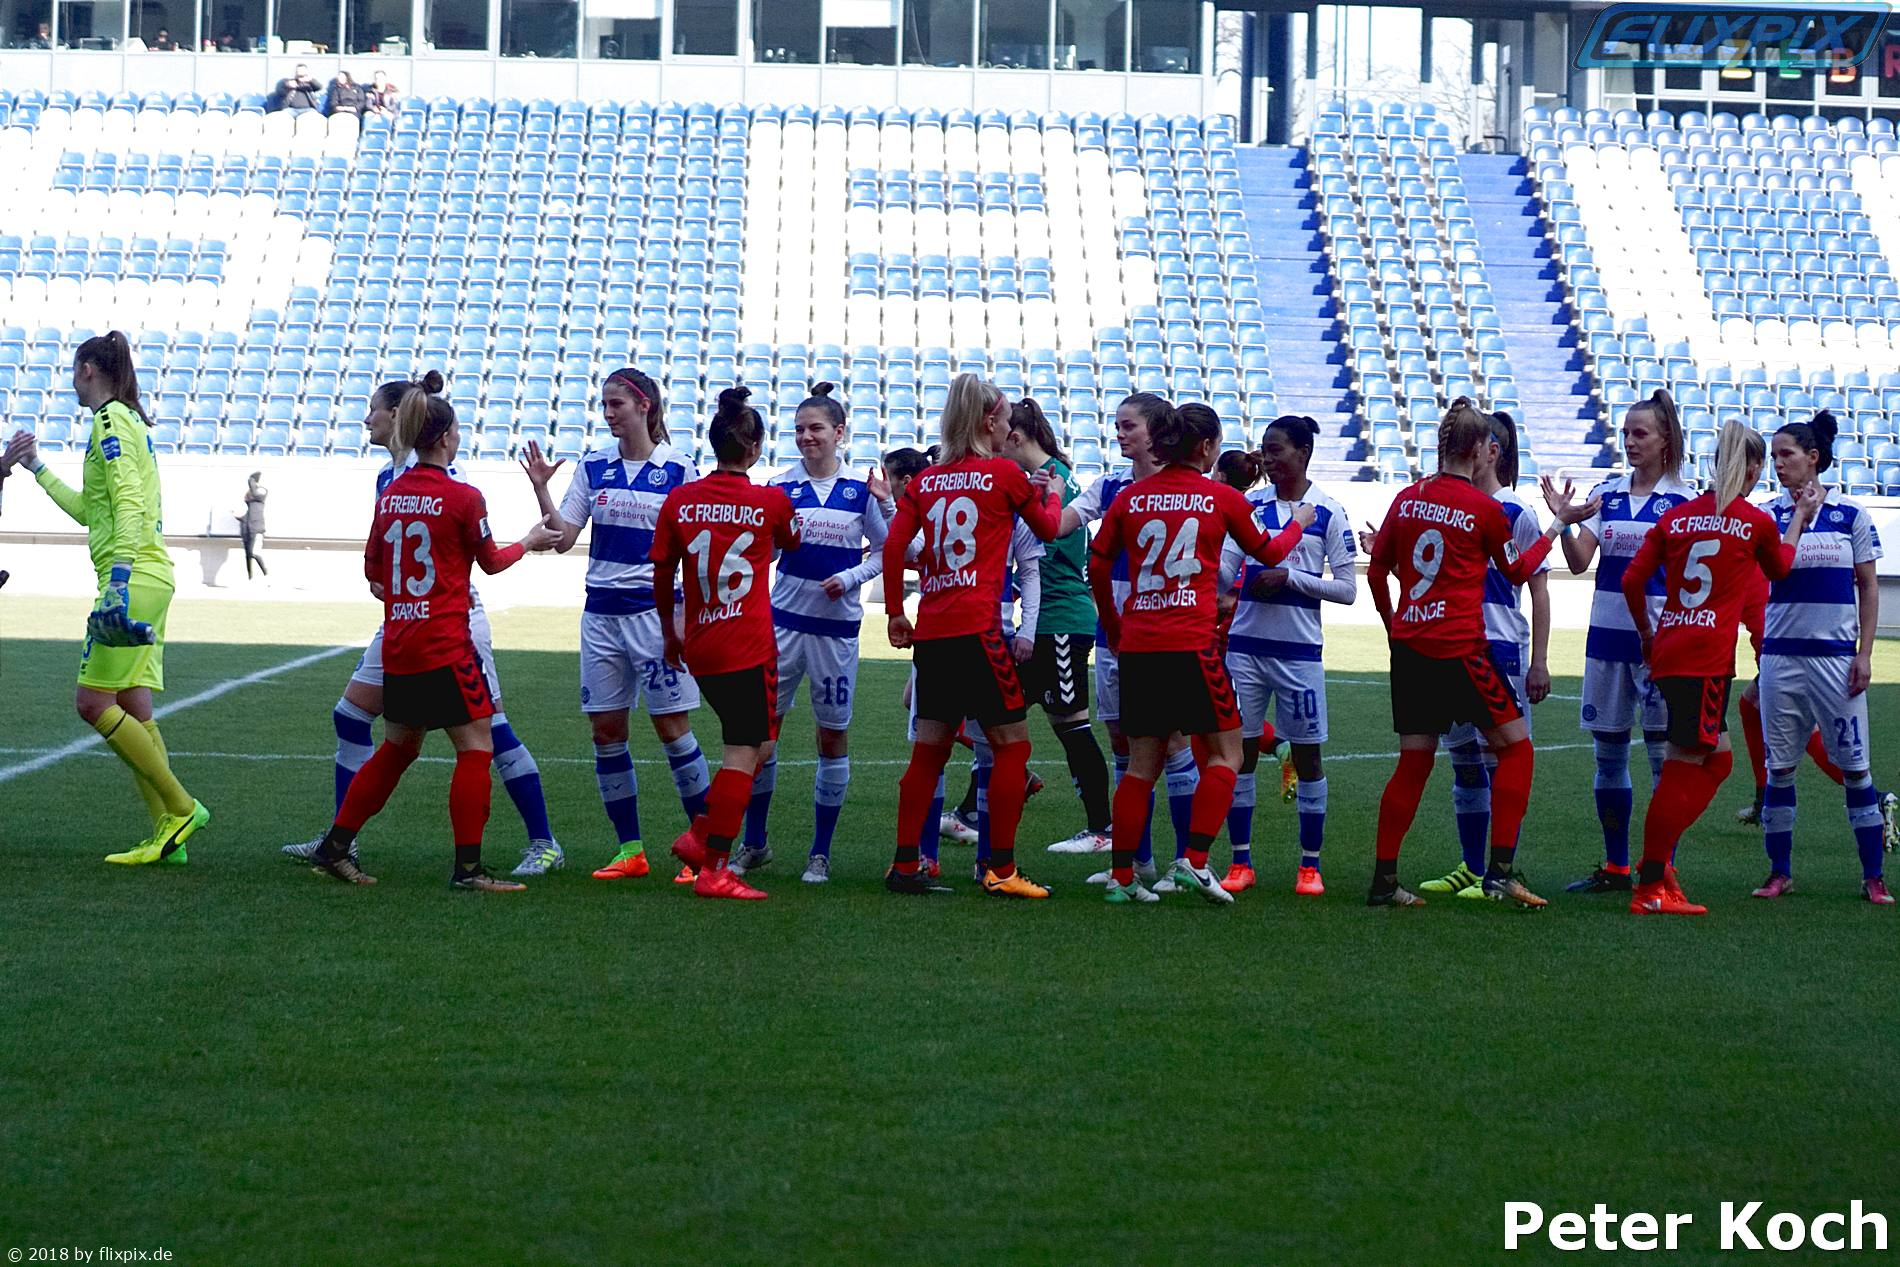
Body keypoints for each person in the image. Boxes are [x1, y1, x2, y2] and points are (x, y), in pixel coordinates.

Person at [282, 373, 565, 875]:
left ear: (402, 418)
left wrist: (403, 594)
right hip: (437, 630)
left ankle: (541, 840)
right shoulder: (442, 489)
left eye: (374, 409)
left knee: (421, 739)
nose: (367, 419)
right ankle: (453, 864)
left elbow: (376, 570)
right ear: (446, 436)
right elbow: (487, 559)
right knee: (462, 738)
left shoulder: (400, 488)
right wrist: (527, 542)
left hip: (419, 628)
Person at [1365, 398, 1595, 908]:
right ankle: (1500, 873)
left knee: (1413, 764)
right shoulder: (1484, 509)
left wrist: (1391, 624)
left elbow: (1378, 570)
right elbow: (1518, 571)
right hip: (1462, 649)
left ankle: (1384, 881)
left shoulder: (1407, 498)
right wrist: (1557, 526)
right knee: (1517, 749)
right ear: (1476, 450)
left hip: (1412, 652)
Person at [1090, 402, 1314, 904]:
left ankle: (1122, 879)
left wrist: (1115, 625)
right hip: (1191, 644)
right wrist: (1299, 522)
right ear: (1208, 446)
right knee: (1227, 753)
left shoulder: (1131, 498)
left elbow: (1098, 564)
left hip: (1140, 645)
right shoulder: (1221, 498)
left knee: (1141, 765)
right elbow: (1270, 553)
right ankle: (1193, 861)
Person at [4, 332, 208, 865]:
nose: (72, 383)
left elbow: (130, 501)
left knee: (92, 702)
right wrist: (37, 468)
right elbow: (92, 511)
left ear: (88, 369)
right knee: (135, 706)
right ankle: (168, 836)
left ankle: (181, 808)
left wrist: (117, 581)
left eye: (74, 372)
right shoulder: (128, 421)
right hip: (150, 575)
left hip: (131, 577)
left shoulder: (110, 421)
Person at [520, 367, 714, 882]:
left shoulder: (680, 469)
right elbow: (563, 539)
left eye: (617, 404)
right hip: (601, 616)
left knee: (673, 730)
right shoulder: (594, 465)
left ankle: (705, 853)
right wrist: (542, 491)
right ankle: (630, 851)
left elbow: (697, 550)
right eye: (604, 404)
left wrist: (685, 617)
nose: (608, 413)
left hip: (654, 615)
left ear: (644, 406)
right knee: (606, 732)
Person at [1619, 422, 1818, 915]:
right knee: (1685, 764)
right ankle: (1651, 881)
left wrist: (1647, 634)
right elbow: (1780, 568)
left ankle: (1656, 866)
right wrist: (1798, 518)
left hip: (1671, 649)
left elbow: (1632, 580)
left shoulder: (1677, 518)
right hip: (1705, 658)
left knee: (1715, 760)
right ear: (1753, 467)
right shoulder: (1754, 521)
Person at [881, 374, 1063, 897]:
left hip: (935, 634)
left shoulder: (927, 480)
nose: (1009, 429)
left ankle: (906, 865)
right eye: (1004, 420)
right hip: (981, 631)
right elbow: (1049, 530)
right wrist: (1050, 496)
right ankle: (1000, 870)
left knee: (928, 753)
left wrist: (895, 613)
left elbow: (894, 547)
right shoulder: (1004, 473)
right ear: (988, 422)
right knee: (1013, 748)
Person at [646, 388, 803, 899]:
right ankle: (714, 866)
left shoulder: (680, 500)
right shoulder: (770, 501)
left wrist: (670, 632)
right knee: (745, 750)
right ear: (755, 448)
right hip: (749, 645)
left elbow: (661, 572)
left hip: (700, 642)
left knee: (757, 742)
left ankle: (700, 835)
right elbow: (792, 540)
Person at [735, 383, 889, 884]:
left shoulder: (861, 490)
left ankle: (819, 853)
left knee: (832, 735)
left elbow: (888, 552)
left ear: (839, 433)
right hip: (781, 628)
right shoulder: (779, 488)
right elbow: (764, 553)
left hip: (836, 633)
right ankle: (755, 843)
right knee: (763, 733)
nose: (806, 437)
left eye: (816, 428)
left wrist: (851, 577)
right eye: (799, 429)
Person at [1747, 411, 1894, 903]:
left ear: (1813, 458)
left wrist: (1864, 654)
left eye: (1786, 455)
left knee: (1855, 768)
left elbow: (1868, 587)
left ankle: (1872, 876)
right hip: (1780, 660)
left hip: (1836, 661)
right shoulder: (1769, 515)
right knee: (1780, 768)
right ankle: (1779, 872)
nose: (1777, 464)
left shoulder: (1851, 515)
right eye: (1773, 457)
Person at [1553, 391, 1694, 893]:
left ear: (1665, 439)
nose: (1631, 442)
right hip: (1606, 644)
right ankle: (1616, 867)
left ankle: (1660, 870)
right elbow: (1577, 562)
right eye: (1626, 433)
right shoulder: (1605, 495)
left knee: (1662, 761)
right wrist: (1564, 523)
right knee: (1608, 757)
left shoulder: (1684, 502)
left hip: (1659, 648)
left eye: (1641, 433)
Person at [1062, 393, 1201, 887]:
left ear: (1155, 431)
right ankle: (1135, 862)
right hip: (1113, 634)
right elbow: (1060, 524)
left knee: (1175, 742)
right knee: (1122, 742)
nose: (1119, 434)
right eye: (1117, 426)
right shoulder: (1110, 484)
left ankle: (1186, 863)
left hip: (1164, 634)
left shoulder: (1186, 488)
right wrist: (1042, 496)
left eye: (1129, 426)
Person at [1217, 412, 1357, 895]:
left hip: (1299, 656)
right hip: (1244, 652)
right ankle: (1240, 862)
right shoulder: (1249, 507)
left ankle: (1309, 866)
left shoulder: (1328, 512)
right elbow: (1224, 571)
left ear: (1303, 452)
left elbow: (1347, 590)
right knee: (1239, 754)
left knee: (1308, 756)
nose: (1267, 459)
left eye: (1276, 450)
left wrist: (1291, 578)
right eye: (1264, 449)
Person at [1418, 411, 1553, 899]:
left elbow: (1539, 590)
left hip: (1499, 646)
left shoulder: (1516, 512)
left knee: (1501, 757)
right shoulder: (1450, 506)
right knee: (1464, 761)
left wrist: (1539, 660)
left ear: (1491, 452)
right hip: (1453, 646)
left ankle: (1500, 869)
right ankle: (1472, 867)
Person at [997, 398, 1113, 855]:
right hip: (1044, 621)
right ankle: (973, 809)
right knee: (997, 715)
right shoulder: (1049, 478)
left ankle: (1102, 828)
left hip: (1060, 619)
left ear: (1015, 438)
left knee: (1070, 724)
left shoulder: (1054, 483)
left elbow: (1043, 551)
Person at [240, 471, 268, 580]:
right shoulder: (251, 502)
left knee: (254, 553)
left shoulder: (262, 491)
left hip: (257, 528)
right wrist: (239, 517)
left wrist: (251, 480)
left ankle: (266, 575)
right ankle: (250, 577)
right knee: (248, 554)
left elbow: (256, 494)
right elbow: (246, 514)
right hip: (247, 528)